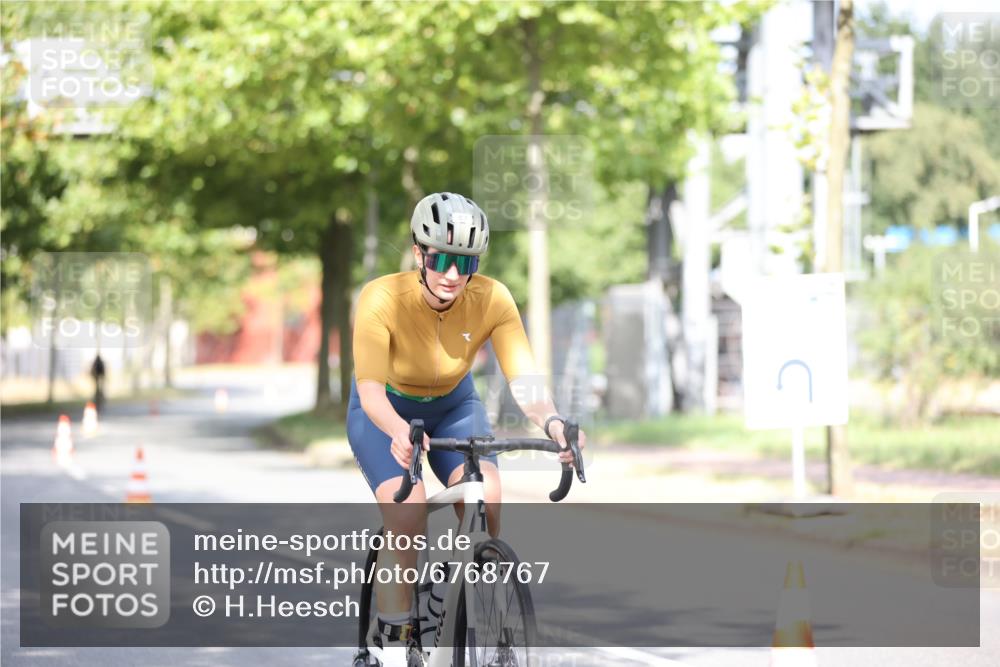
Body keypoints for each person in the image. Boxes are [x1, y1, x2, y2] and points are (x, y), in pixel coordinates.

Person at [348, 192, 586, 666]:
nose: (453, 274)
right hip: (387, 411)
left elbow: (524, 378)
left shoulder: (492, 298)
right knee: (408, 513)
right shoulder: (381, 297)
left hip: (455, 404)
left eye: (465, 262)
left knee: (486, 494)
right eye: (441, 258)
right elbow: (371, 392)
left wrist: (554, 423)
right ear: (419, 253)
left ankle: (447, 593)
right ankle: (396, 643)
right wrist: (399, 430)